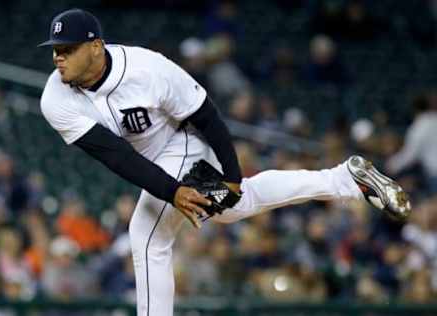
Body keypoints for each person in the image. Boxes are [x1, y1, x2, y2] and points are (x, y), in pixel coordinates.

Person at [38, 9, 411, 316]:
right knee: (238, 206)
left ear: (96, 46)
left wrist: (230, 174)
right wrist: (175, 191)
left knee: (147, 234)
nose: (58, 57)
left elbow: (207, 115)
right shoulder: (55, 98)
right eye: (56, 49)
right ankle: (344, 179)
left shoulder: (147, 69)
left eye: (67, 49)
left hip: (185, 140)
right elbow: (115, 156)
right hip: (153, 164)